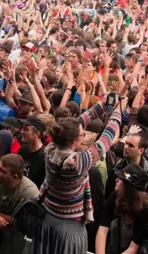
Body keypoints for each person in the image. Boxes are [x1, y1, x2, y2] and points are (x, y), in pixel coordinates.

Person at [34, 100, 122, 254]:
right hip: (68, 229)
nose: (84, 135)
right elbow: (105, 140)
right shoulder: (77, 162)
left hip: (48, 218)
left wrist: (101, 104)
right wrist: (117, 112)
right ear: (75, 140)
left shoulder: (50, 149)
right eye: (82, 134)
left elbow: (73, 125)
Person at [0, 154, 40, 254]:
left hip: (15, 236)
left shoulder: (29, 192)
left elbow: (26, 224)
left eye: (2, 171)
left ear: (14, 177)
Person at [96, 164, 148, 254]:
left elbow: (133, 248)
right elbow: (103, 228)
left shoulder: (145, 209)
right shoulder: (115, 196)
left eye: (121, 179)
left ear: (129, 186)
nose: (116, 180)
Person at [18, 115, 47, 187]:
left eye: (26, 129)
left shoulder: (45, 156)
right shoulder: (22, 150)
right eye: (22, 128)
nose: (21, 131)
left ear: (37, 134)